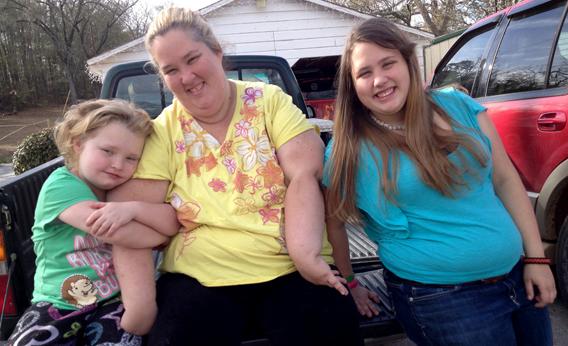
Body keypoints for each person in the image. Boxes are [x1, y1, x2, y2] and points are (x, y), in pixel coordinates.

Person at [107, 7, 362, 346]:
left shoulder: (267, 101)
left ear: (216, 51)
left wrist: (304, 257)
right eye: (171, 70)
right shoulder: (162, 131)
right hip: (199, 276)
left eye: (192, 58)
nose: (186, 77)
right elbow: (129, 212)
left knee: (330, 331)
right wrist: (140, 305)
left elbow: (304, 173)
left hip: (290, 265)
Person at [323, 17, 557, 346]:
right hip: (444, 300)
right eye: (364, 73)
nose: (379, 80)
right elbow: (333, 223)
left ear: (408, 62)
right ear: (353, 85)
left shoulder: (459, 107)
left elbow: (505, 179)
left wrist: (536, 258)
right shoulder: (349, 149)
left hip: (517, 276)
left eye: (388, 63)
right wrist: (351, 282)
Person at [7, 99, 180, 345]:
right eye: (108, 151)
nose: (118, 164)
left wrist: (133, 208)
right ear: (78, 144)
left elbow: (173, 218)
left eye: (132, 158)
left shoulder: (123, 191)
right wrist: (162, 235)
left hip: (111, 302)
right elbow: (117, 233)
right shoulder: (62, 186)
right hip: (59, 304)